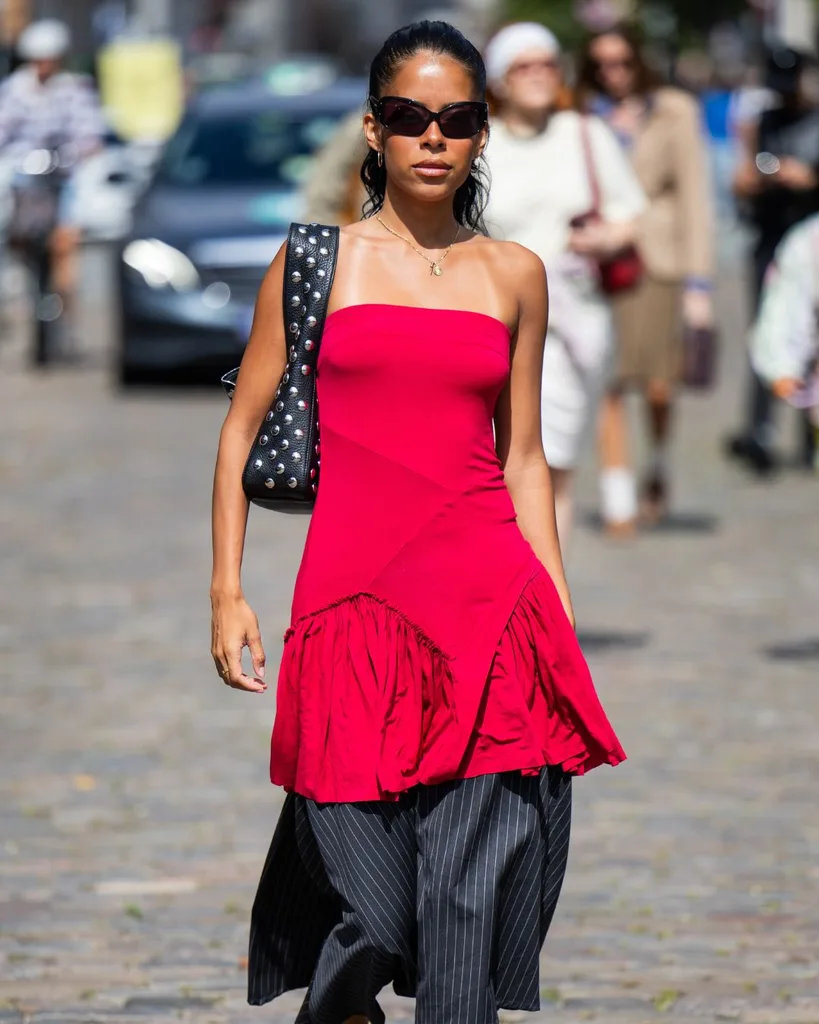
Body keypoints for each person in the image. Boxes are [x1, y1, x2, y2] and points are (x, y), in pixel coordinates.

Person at [211, 20, 625, 1024]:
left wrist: (557, 616)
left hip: (490, 614)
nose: (432, 138)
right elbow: (240, 432)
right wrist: (227, 591)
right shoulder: (316, 262)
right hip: (348, 617)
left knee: (465, 908)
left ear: (481, 136)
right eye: (409, 118)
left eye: (457, 120)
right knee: (378, 911)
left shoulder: (513, 274)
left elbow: (523, 458)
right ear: (372, 130)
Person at [482, 21, 645, 545]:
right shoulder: (481, 143)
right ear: (501, 79)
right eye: (523, 66)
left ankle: (544, 605)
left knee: (552, 464)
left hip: (570, 320)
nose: (537, 75)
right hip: (492, 319)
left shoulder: (586, 134)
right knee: (494, 471)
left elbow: (632, 213)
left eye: (547, 63)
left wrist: (604, 239)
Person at [576, 24, 714, 531]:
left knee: (658, 382)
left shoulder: (674, 110)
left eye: (622, 63)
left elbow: (696, 198)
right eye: (602, 65)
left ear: (639, 62)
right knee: (607, 379)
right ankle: (617, 496)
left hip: (656, 259)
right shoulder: (583, 115)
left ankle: (657, 461)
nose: (613, 74)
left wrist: (700, 282)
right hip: (600, 260)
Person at [727, 45, 819, 474]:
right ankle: (759, 432)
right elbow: (744, 179)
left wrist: (809, 178)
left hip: (811, 241)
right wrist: (752, 178)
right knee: (766, 333)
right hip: (770, 239)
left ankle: (810, 435)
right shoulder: (762, 120)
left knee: (811, 339)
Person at [0, 19, 104, 346]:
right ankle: (15, 287)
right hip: (24, 177)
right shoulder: (16, 90)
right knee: (9, 227)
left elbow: (89, 132)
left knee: (65, 244)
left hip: (63, 178)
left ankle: (65, 307)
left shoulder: (73, 89)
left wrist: (81, 150)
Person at [749, 212, 819, 465]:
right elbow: (784, 313)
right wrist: (782, 368)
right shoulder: (806, 243)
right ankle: (762, 431)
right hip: (776, 228)